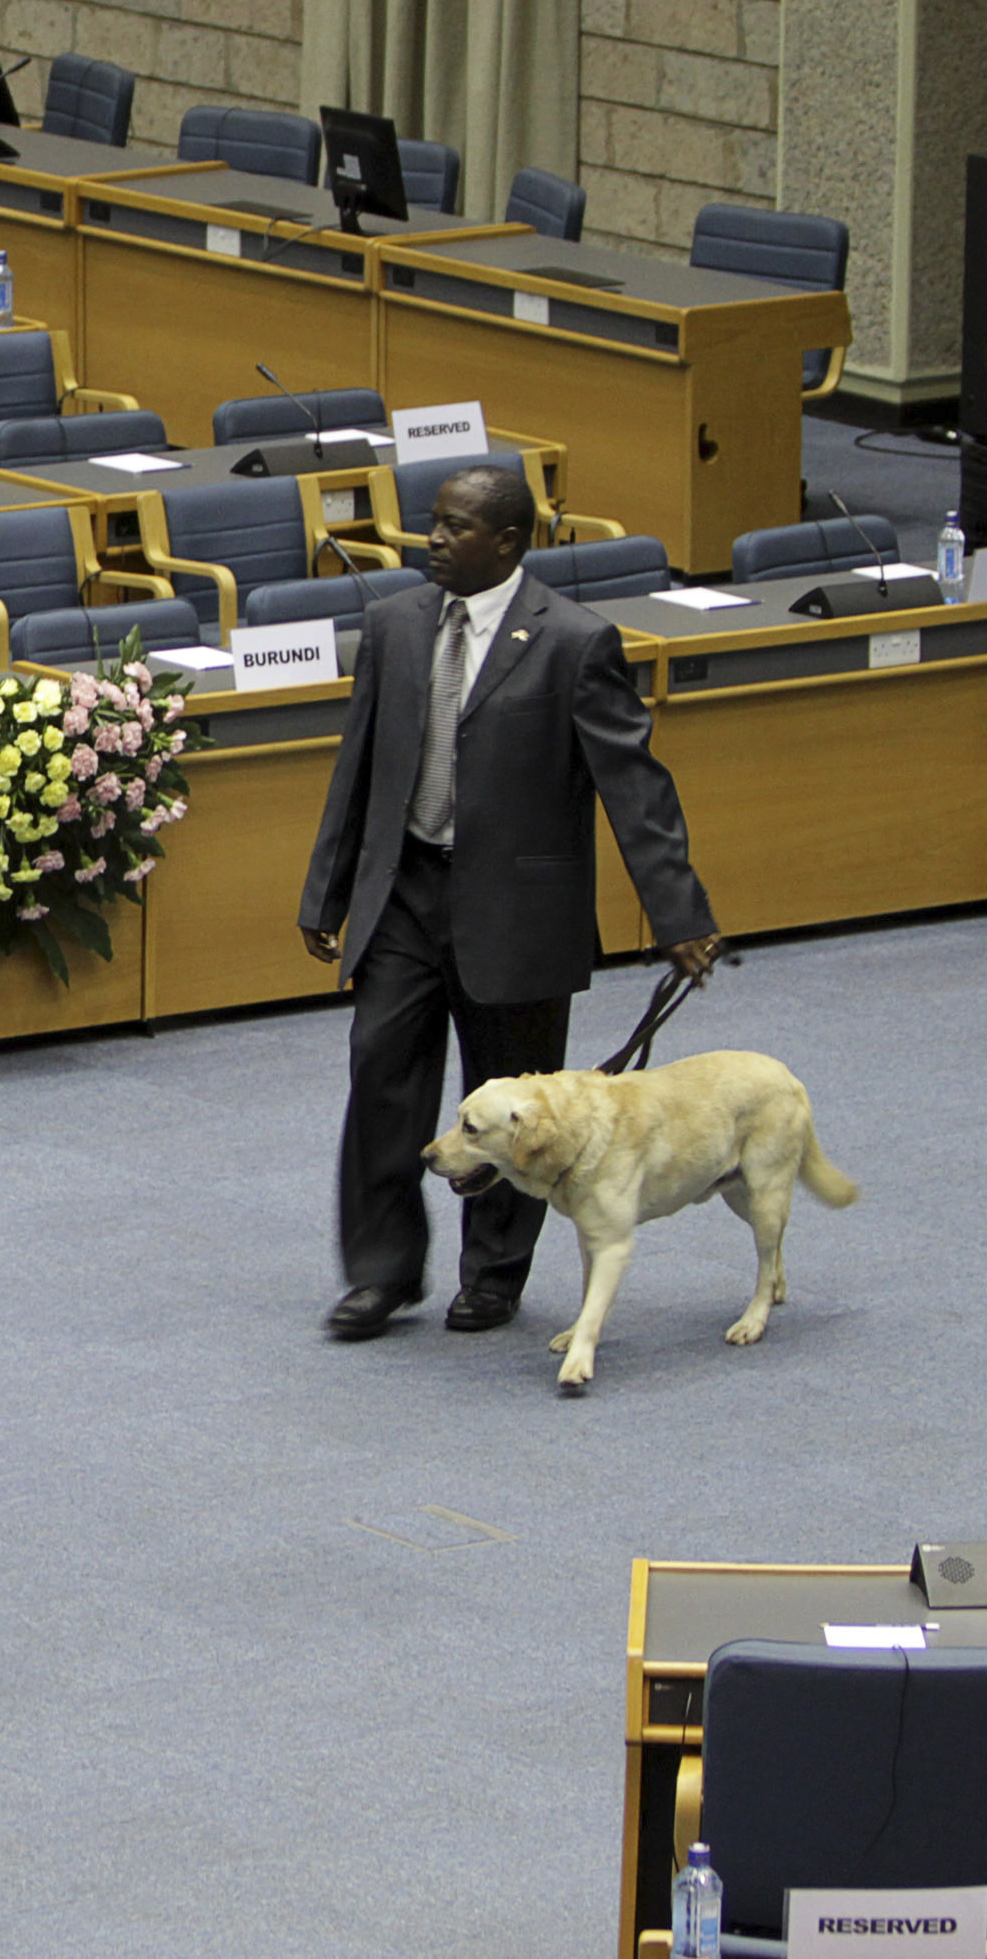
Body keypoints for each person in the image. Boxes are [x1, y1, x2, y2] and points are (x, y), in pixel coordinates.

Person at [296, 466, 719, 1342]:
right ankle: (380, 1273)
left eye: (455, 527)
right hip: (405, 895)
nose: (434, 540)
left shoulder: (574, 642)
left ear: (509, 544)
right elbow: (360, 769)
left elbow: (634, 787)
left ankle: (492, 1275)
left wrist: (679, 916)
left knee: (519, 1117)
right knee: (383, 1082)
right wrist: (327, 888)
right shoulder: (395, 626)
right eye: (434, 525)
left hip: (518, 914)